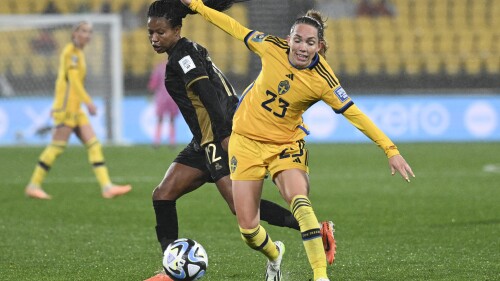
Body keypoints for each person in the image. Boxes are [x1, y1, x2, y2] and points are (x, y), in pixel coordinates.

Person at [180, 0, 416, 280]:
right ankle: (275, 255)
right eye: (298, 40)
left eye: (310, 42)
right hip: (245, 142)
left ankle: (320, 275)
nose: (303, 47)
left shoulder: (323, 79)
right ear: (288, 40)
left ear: (320, 46)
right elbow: (233, 27)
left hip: (285, 145)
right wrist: (196, 5)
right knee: (248, 230)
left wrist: (390, 149)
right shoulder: (270, 46)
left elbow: (354, 114)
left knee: (300, 202)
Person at [144, 1, 335, 280]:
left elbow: (207, 92)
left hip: (219, 136)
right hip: (204, 140)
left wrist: (223, 135)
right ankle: (169, 267)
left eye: (160, 32)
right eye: (150, 33)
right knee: (163, 195)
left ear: (176, 29)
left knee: (240, 207)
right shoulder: (182, 53)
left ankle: (313, 228)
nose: (154, 38)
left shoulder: (184, 57)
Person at [24, 21, 132, 200]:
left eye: (89, 32)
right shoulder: (70, 52)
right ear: (74, 33)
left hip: (76, 109)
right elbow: (73, 81)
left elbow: (66, 82)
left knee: (94, 145)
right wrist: (89, 102)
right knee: (56, 147)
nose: (87, 35)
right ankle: (33, 185)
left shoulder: (78, 53)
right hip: (66, 108)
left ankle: (107, 187)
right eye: (83, 31)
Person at [148, 61, 180, 148]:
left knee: (160, 119)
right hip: (173, 96)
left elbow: (153, 84)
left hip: (161, 97)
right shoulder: (176, 68)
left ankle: (156, 141)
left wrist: (150, 92)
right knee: (172, 120)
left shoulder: (159, 68)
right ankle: (172, 142)